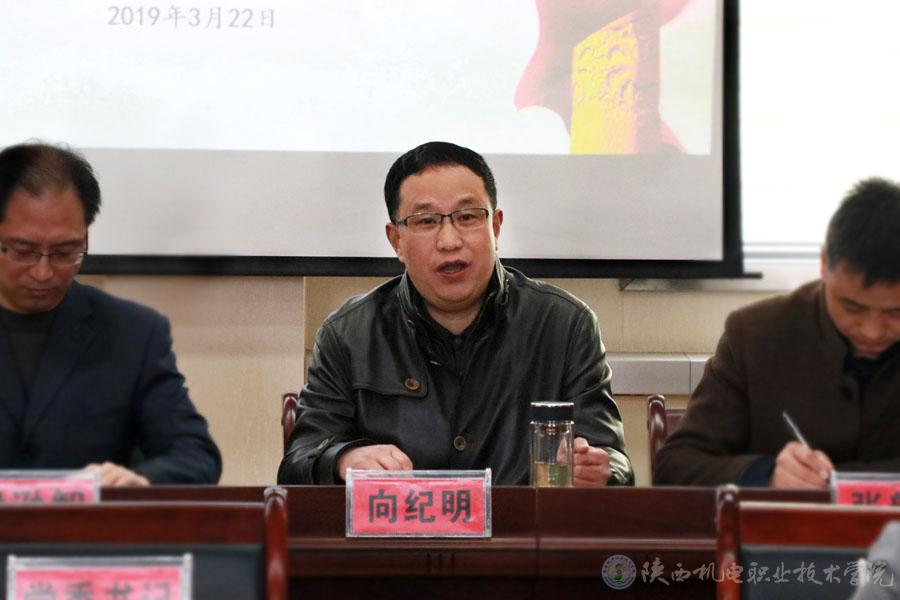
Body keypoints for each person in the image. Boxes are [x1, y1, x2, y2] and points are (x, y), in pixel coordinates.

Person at [278, 141, 633, 486]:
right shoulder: (349, 334)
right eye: (426, 220)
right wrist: (343, 459)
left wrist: (601, 472)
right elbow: (299, 461)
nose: (449, 241)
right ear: (396, 240)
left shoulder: (565, 326)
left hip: (523, 528)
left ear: (496, 227)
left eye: (467, 217)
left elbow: (614, 461)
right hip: (401, 527)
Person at [654, 177, 900, 488]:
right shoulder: (755, 335)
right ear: (824, 263)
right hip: (780, 520)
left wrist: (846, 482)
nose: (873, 332)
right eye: (852, 307)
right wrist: (765, 474)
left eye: (896, 312)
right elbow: (676, 465)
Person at [0, 142, 221, 485]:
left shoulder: (134, 334)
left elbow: (196, 456)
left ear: (86, 236)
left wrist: (139, 481)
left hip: (86, 520)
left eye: (65, 252)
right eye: (23, 251)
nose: (43, 272)